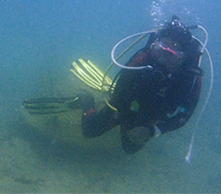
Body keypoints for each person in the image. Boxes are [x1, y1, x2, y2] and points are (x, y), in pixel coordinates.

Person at [24, 17, 207, 154]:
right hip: (127, 102)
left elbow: (185, 116)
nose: (162, 58)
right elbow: (120, 91)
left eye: (172, 55)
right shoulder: (143, 59)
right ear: (154, 47)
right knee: (90, 131)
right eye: (160, 50)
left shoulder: (191, 78)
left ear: (183, 58)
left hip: (151, 115)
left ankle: (135, 131)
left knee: (130, 149)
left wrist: (152, 130)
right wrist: (122, 115)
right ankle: (85, 101)